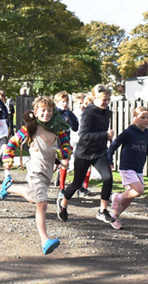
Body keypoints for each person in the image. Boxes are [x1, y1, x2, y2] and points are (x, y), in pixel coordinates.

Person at [0, 96, 72, 255]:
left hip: (48, 171)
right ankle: (45, 240)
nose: (46, 113)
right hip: (35, 169)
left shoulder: (58, 129)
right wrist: (7, 157)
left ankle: (10, 187)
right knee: (42, 204)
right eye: (43, 110)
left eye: (49, 111)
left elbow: (67, 146)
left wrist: (62, 153)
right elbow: (13, 142)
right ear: (36, 112)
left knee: (33, 198)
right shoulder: (30, 128)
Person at [57, 84, 116, 225]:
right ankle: (63, 205)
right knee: (77, 183)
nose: (107, 103)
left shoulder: (107, 112)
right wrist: (105, 135)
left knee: (108, 178)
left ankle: (103, 210)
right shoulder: (89, 112)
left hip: (99, 151)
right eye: (104, 100)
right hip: (84, 152)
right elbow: (83, 135)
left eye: (108, 100)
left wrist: (106, 146)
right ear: (95, 98)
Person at [107, 106, 148, 229]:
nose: (146, 120)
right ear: (135, 118)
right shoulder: (128, 132)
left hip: (138, 169)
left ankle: (114, 217)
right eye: (142, 117)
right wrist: (110, 160)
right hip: (127, 167)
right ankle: (116, 197)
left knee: (131, 196)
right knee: (138, 190)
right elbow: (113, 146)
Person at [53, 91, 79, 198]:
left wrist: (70, 119)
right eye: (62, 102)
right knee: (53, 167)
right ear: (57, 102)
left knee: (65, 162)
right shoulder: (53, 113)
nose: (65, 104)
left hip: (64, 143)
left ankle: (61, 188)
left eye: (66, 102)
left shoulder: (69, 113)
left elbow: (75, 127)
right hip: (53, 142)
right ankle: (57, 176)